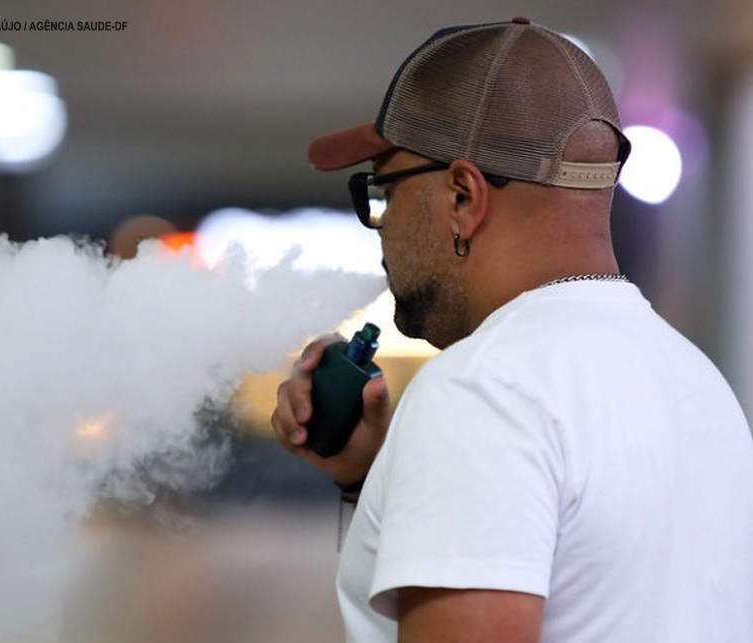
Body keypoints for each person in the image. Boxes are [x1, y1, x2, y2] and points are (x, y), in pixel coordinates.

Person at [270, 18, 753, 643]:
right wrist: (372, 478)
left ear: (464, 196)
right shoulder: (699, 384)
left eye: (382, 189)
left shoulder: (481, 391)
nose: (381, 229)